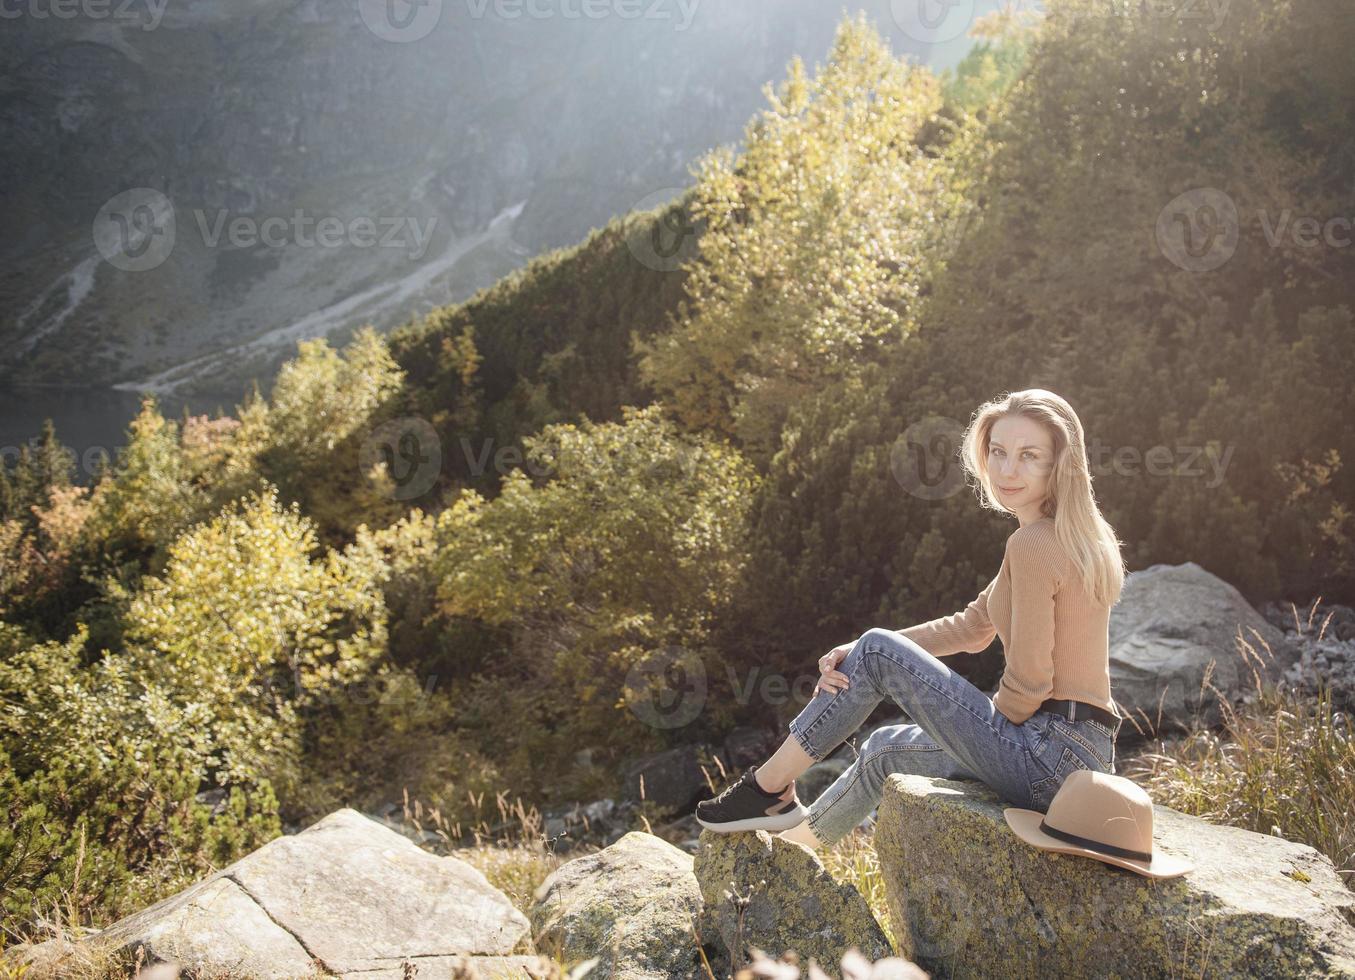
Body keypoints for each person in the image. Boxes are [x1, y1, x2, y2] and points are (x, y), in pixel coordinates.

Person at [694, 388, 1127, 849]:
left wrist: (985, 730)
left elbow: (1032, 681)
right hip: (1082, 760)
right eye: (998, 452)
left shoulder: (1034, 544)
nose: (1006, 470)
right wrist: (858, 653)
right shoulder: (1067, 536)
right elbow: (972, 627)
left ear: (1059, 463)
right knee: (883, 748)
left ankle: (767, 788)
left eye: (1029, 456)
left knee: (879, 648)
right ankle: (794, 855)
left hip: (1048, 755)